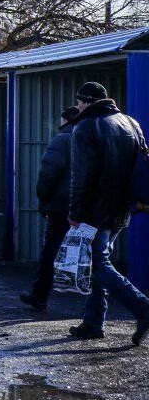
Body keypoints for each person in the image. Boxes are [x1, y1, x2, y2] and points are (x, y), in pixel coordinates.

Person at [65, 82, 149, 344]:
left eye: (79, 102)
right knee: (100, 259)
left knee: (97, 264)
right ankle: (92, 322)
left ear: (87, 101)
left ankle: (142, 307)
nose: (77, 107)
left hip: (95, 209)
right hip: (123, 207)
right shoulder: (130, 123)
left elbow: (81, 176)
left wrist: (75, 212)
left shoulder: (85, 127)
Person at [21, 107, 80, 311]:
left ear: (64, 119)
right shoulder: (88, 138)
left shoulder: (62, 139)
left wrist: (43, 200)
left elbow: (48, 174)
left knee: (50, 250)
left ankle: (39, 295)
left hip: (60, 206)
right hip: (86, 206)